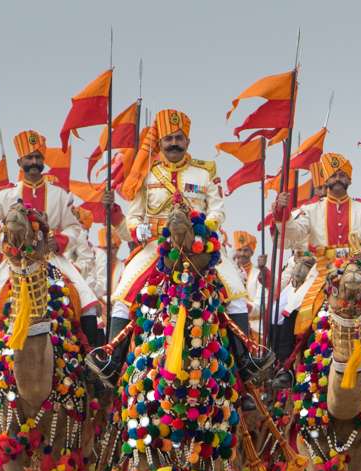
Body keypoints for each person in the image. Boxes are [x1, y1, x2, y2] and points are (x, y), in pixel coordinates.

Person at [91, 108, 270, 396]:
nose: (174, 144)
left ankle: (247, 362)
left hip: (200, 243)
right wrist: (141, 231)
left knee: (236, 293)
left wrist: (202, 229)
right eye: (168, 139)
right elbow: (134, 217)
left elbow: (217, 210)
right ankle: (111, 360)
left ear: (187, 141)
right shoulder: (145, 174)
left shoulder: (204, 170)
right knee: (123, 295)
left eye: (179, 138)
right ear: (159, 142)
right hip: (155, 246)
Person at [0, 129, 103, 380]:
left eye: (38, 158)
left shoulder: (60, 195)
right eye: (29, 159)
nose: (34, 163)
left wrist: (58, 241)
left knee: (86, 299)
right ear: (20, 163)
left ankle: (95, 360)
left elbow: (75, 228)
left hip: (52, 260)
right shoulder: (4, 195)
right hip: (16, 263)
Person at [271, 152, 361, 389]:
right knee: (290, 308)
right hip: (323, 271)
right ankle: (285, 370)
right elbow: (292, 235)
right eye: (333, 174)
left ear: (349, 178)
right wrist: (281, 213)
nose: (338, 178)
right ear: (325, 179)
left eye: (342, 174)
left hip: (357, 270)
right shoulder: (311, 210)